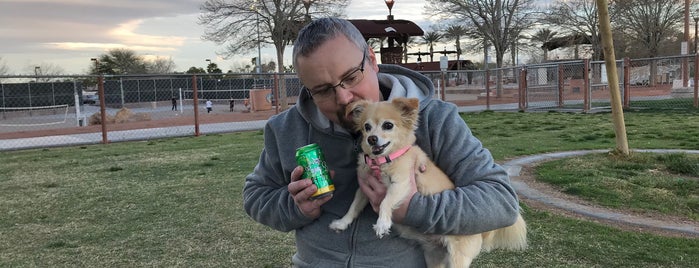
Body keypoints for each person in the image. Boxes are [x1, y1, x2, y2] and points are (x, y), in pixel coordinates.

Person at [243, 17, 520, 267]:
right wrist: (295, 207)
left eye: (351, 77)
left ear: (372, 60)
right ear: (307, 89)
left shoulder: (436, 119)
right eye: (323, 90)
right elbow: (255, 195)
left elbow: (500, 202)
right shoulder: (284, 128)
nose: (343, 98)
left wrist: (412, 208)